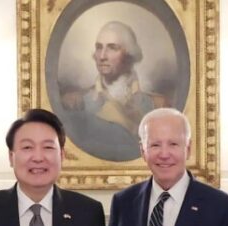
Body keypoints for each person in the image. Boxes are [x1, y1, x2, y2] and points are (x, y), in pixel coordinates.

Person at [62, 21, 168, 162]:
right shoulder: (76, 103)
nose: (102, 56)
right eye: (99, 47)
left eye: (112, 48)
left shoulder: (158, 105)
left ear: (129, 55)